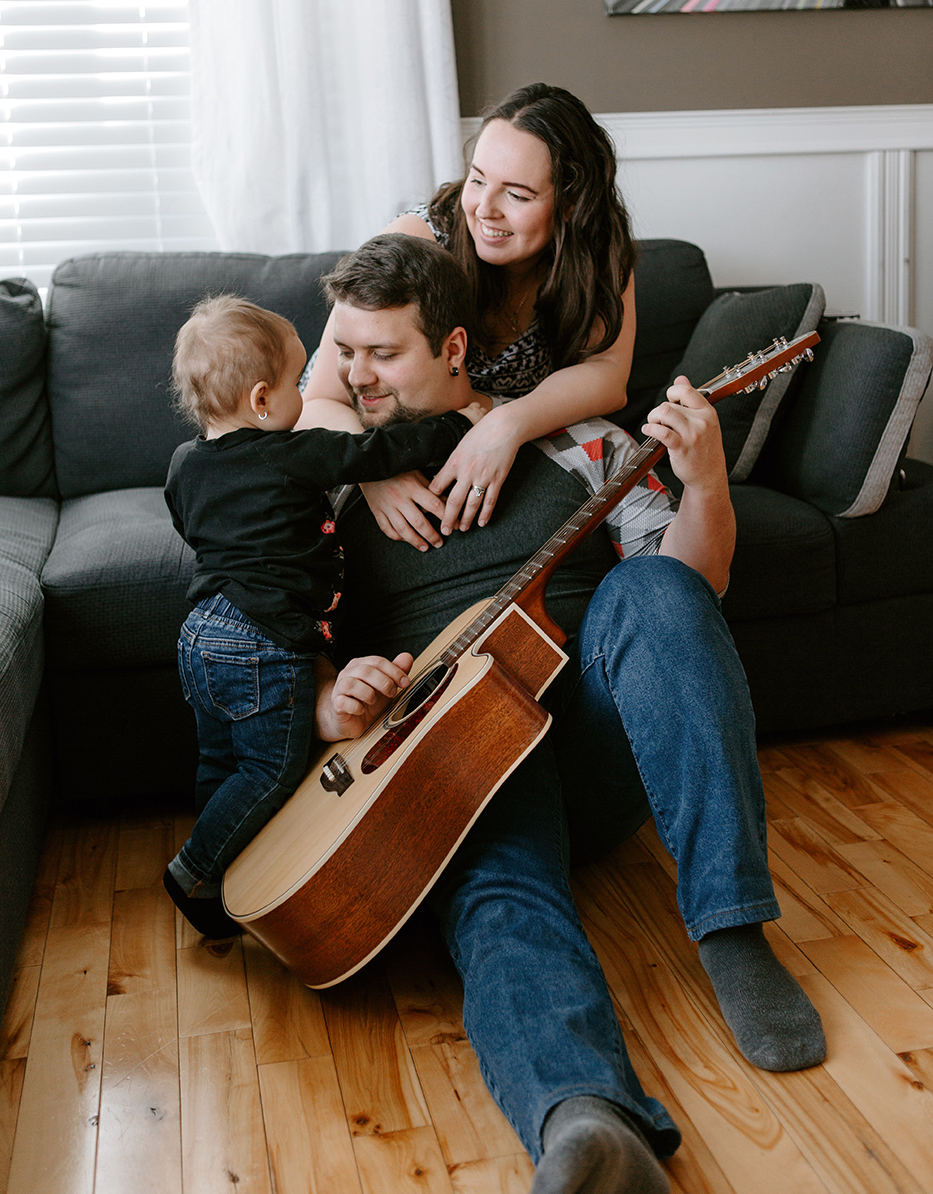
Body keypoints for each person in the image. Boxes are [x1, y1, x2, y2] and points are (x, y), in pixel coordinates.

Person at [309, 235, 827, 1194]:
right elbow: (289, 638)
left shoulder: (580, 443)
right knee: (499, 903)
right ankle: (587, 1124)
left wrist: (705, 481)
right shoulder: (333, 483)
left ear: (454, 348)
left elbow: (697, 587)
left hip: (594, 736)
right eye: (346, 354)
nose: (351, 377)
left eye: (382, 355)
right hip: (459, 772)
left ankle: (731, 928)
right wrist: (333, 697)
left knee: (657, 592)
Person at [161, 294, 485, 938]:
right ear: (261, 400)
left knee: (219, 761)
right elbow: (372, 456)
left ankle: (229, 861)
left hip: (201, 632)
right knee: (269, 769)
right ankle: (195, 873)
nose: (308, 394)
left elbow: (190, 524)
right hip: (261, 640)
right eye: (297, 381)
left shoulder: (183, 464)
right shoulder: (290, 449)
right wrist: (458, 425)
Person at [298, 82, 638, 554]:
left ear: (571, 203)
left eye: (517, 195)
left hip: (498, 456)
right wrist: (372, 470)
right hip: (378, 441)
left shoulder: (598, 251)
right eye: (478, 180)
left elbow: (607, 374)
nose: (483, 208)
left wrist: (505, 425)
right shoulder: (418, 241)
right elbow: (316, 402)